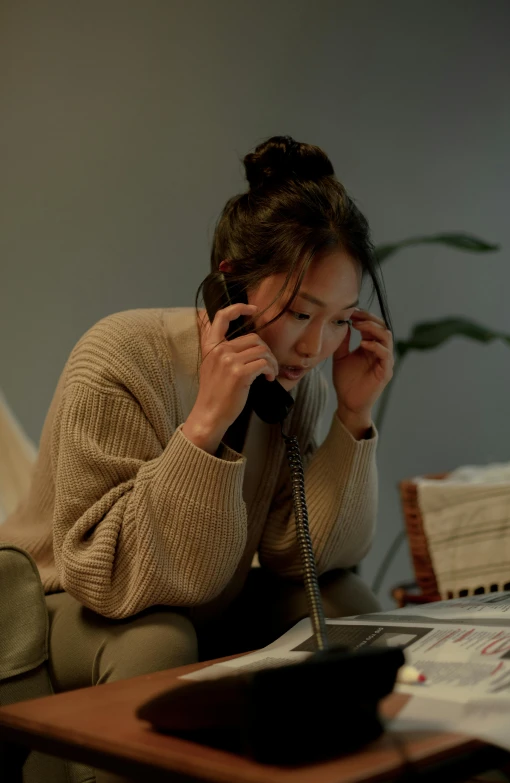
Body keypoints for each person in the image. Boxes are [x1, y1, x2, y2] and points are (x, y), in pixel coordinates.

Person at [1, 135, 394, 782]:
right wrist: (206, 426)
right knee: (159, 639)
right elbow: (110, 576)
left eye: (339, 319)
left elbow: (305, 556)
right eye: (300, 312)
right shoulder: (119, 356)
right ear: (230, 279)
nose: (316, 346)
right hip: (65, 604)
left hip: (204, 591)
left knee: (345, 599)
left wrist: (353, 418)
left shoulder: (296, 381)